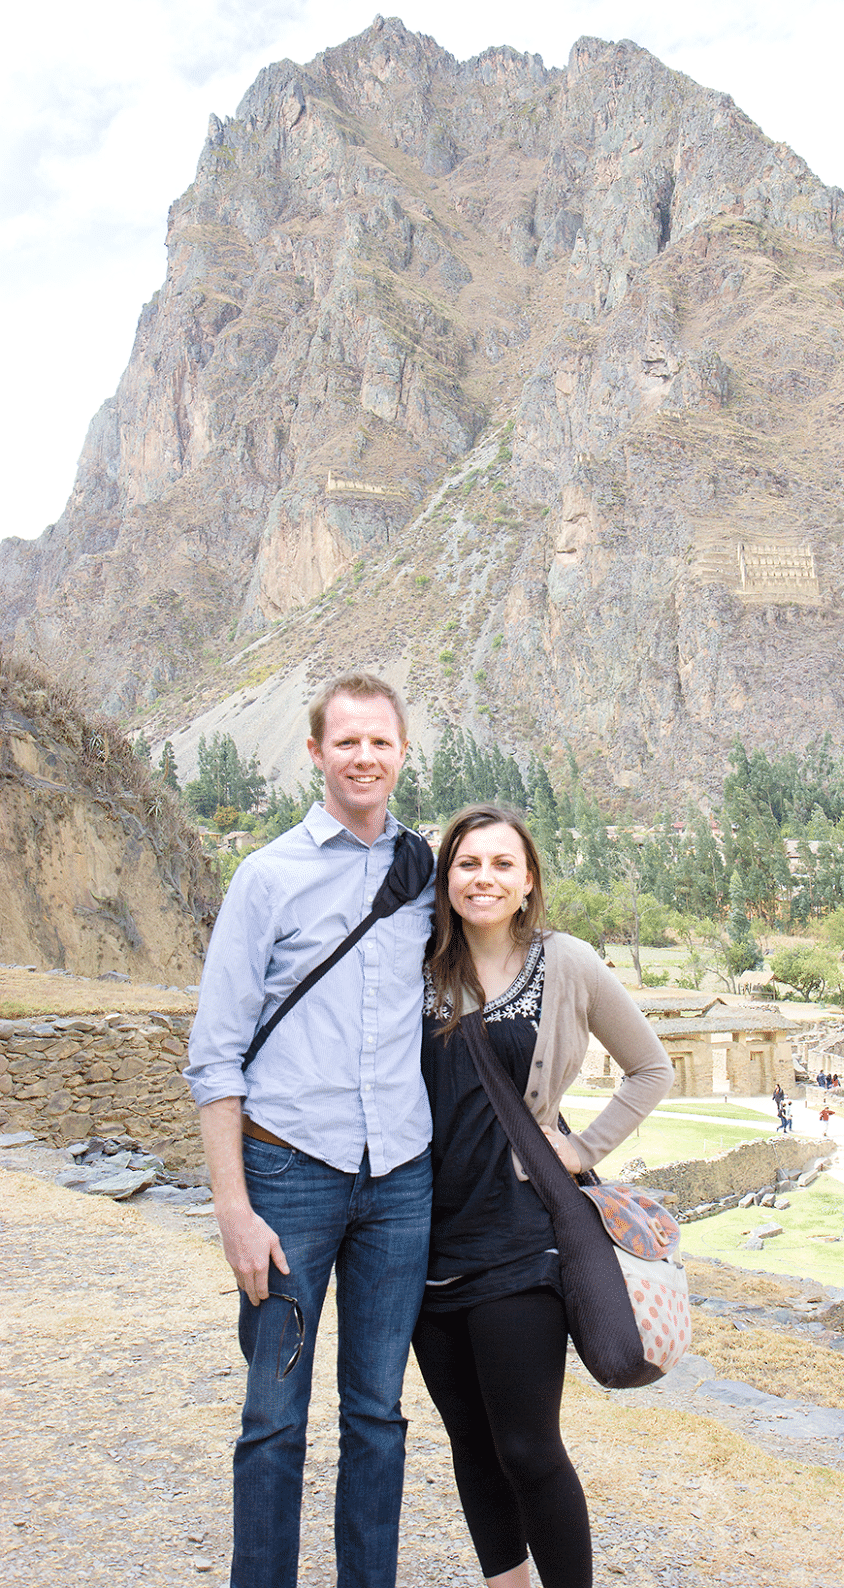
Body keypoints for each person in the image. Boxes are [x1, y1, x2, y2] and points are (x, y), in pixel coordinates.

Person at [183, 673, 435, 1588]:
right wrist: (233, 1209)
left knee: (377, 1413)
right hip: (289, 1178)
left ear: (401, 752)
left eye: (380, 742)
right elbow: (214, 1058)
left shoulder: (427, 872)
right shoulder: (268, 877)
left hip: (402, 1180)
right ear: (316, 753)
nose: (364, 757)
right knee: (274, 1416)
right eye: (347, 742)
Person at [412, 804, 673, 1588]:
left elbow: (650, 1069)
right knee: (469, 1438)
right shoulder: (417, 963)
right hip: (422, 1235)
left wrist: (583, 1145)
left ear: (527, 882)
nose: (482, 878)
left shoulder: (567, 962)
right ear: (446, 877)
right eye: (466, 864)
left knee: (526, 1445)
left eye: (500, 865)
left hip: (523, 1235)